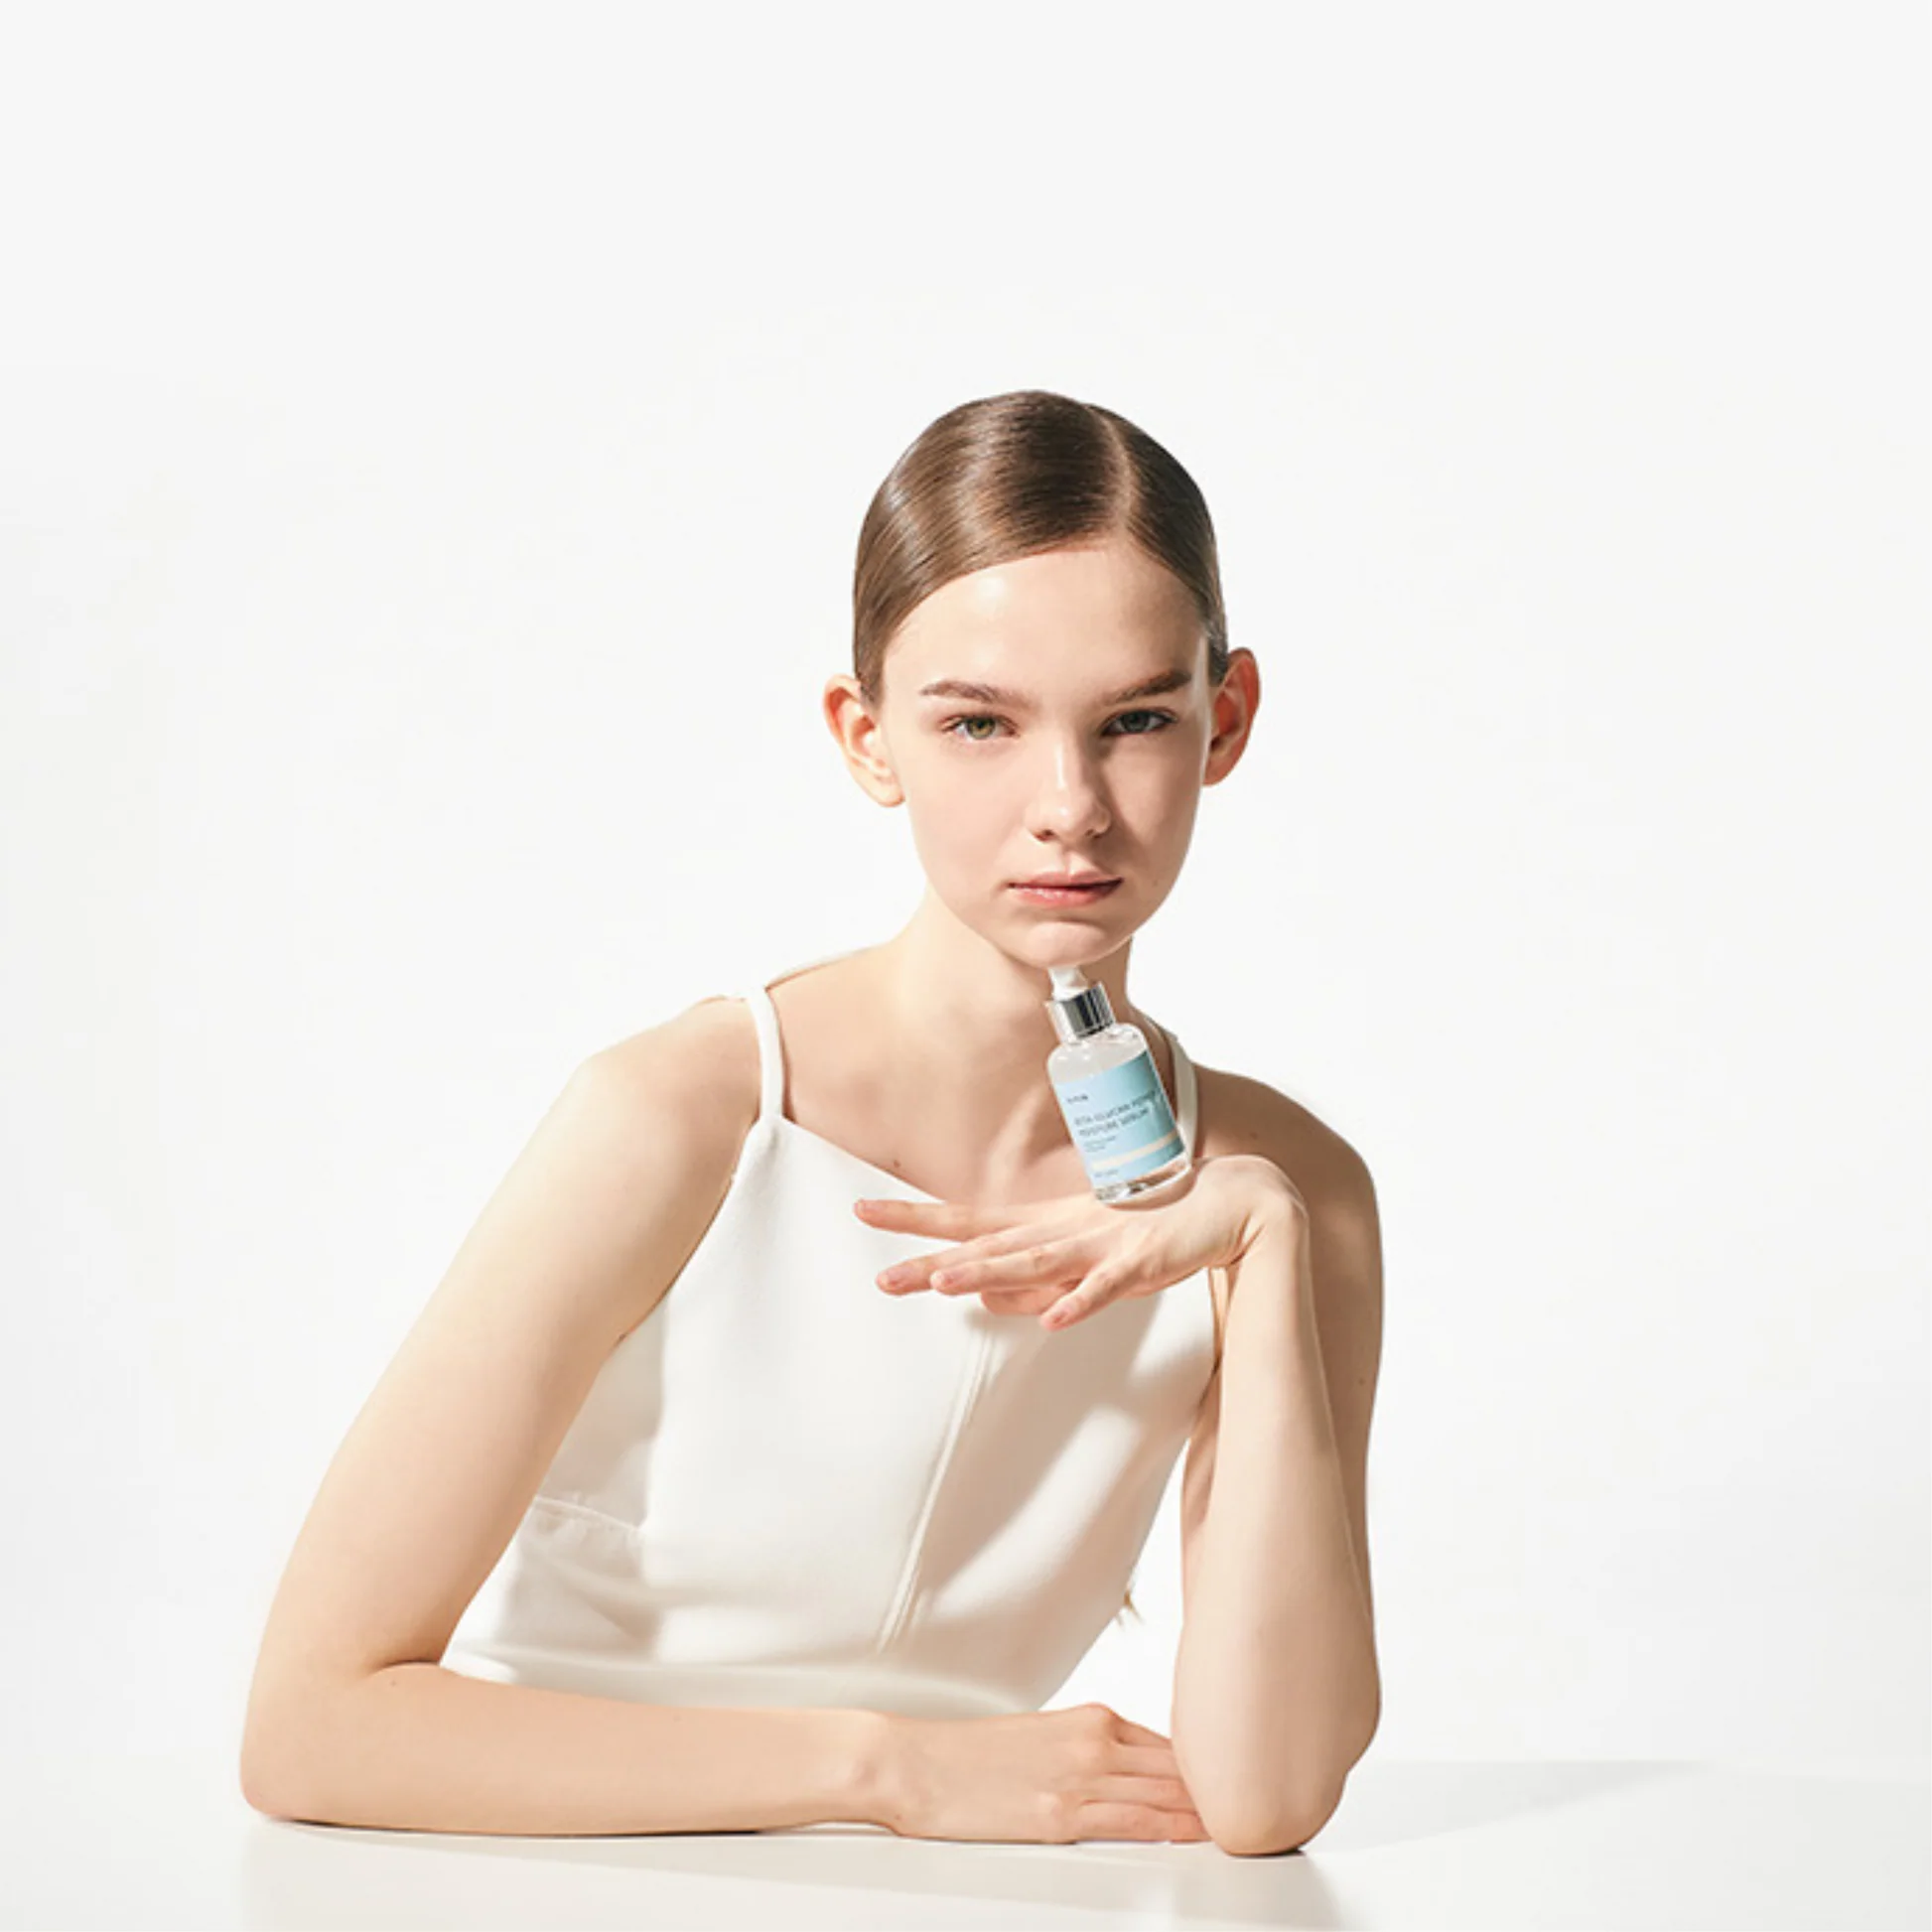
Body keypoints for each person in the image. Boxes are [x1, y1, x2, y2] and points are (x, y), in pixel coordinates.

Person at [238, 388, 1383, 1856]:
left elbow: (1267, 1796)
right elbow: (312, 1721)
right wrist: (889, 1767)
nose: (1068, 805)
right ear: (866, 737)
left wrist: (1270, 1246)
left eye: (1134, 719)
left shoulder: (1291, 1192)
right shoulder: (680, 1114)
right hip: (523, 1871)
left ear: (1222, 721)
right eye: (978, 721)